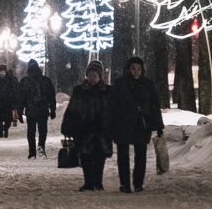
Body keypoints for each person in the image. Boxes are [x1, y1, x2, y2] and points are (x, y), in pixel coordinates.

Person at [105, 56, 164, 193]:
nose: (136, 72)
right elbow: (111, 105)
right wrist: (109, 124)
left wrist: (158, 124)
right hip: (122, 123)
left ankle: (138, 183)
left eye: (138, 69)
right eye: (133, 69)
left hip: (141, 123)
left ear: (142, 70)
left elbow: (154, 104)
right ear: (128, 69)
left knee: (141, 154)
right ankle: (124, 183)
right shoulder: (120, 83)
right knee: (123, 155)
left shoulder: (147, 84)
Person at [62, 59, 112, 190]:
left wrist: (111, 125)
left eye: (94, 76)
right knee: (85, 156)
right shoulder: (80, 91)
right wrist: (67, 126)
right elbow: (72, 109)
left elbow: (112, 110)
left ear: (100, 76)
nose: (91, 78)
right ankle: (88, 182)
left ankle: (98, 182)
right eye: (89, 75)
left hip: (101, 130)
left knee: (100, 157)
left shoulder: (107, 91)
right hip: (84, 129)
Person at [17, 59, 57, 158]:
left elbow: (21, 98)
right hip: (43, 110)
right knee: (42, 130)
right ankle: (41, 147)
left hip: (31, 110)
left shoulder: (25, 81)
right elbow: (51, 96)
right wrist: (52, 110)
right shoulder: (45, 80)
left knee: (31, 131)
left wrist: (20, 111)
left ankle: (32, 153)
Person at [0, 65, 15, 138]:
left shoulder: (9, 80)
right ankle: (1, 131)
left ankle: (6, 129)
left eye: (3, 72)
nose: (2, 73)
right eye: (1, 72)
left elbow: (13, 90)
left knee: (8, 119)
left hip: (7, 102)